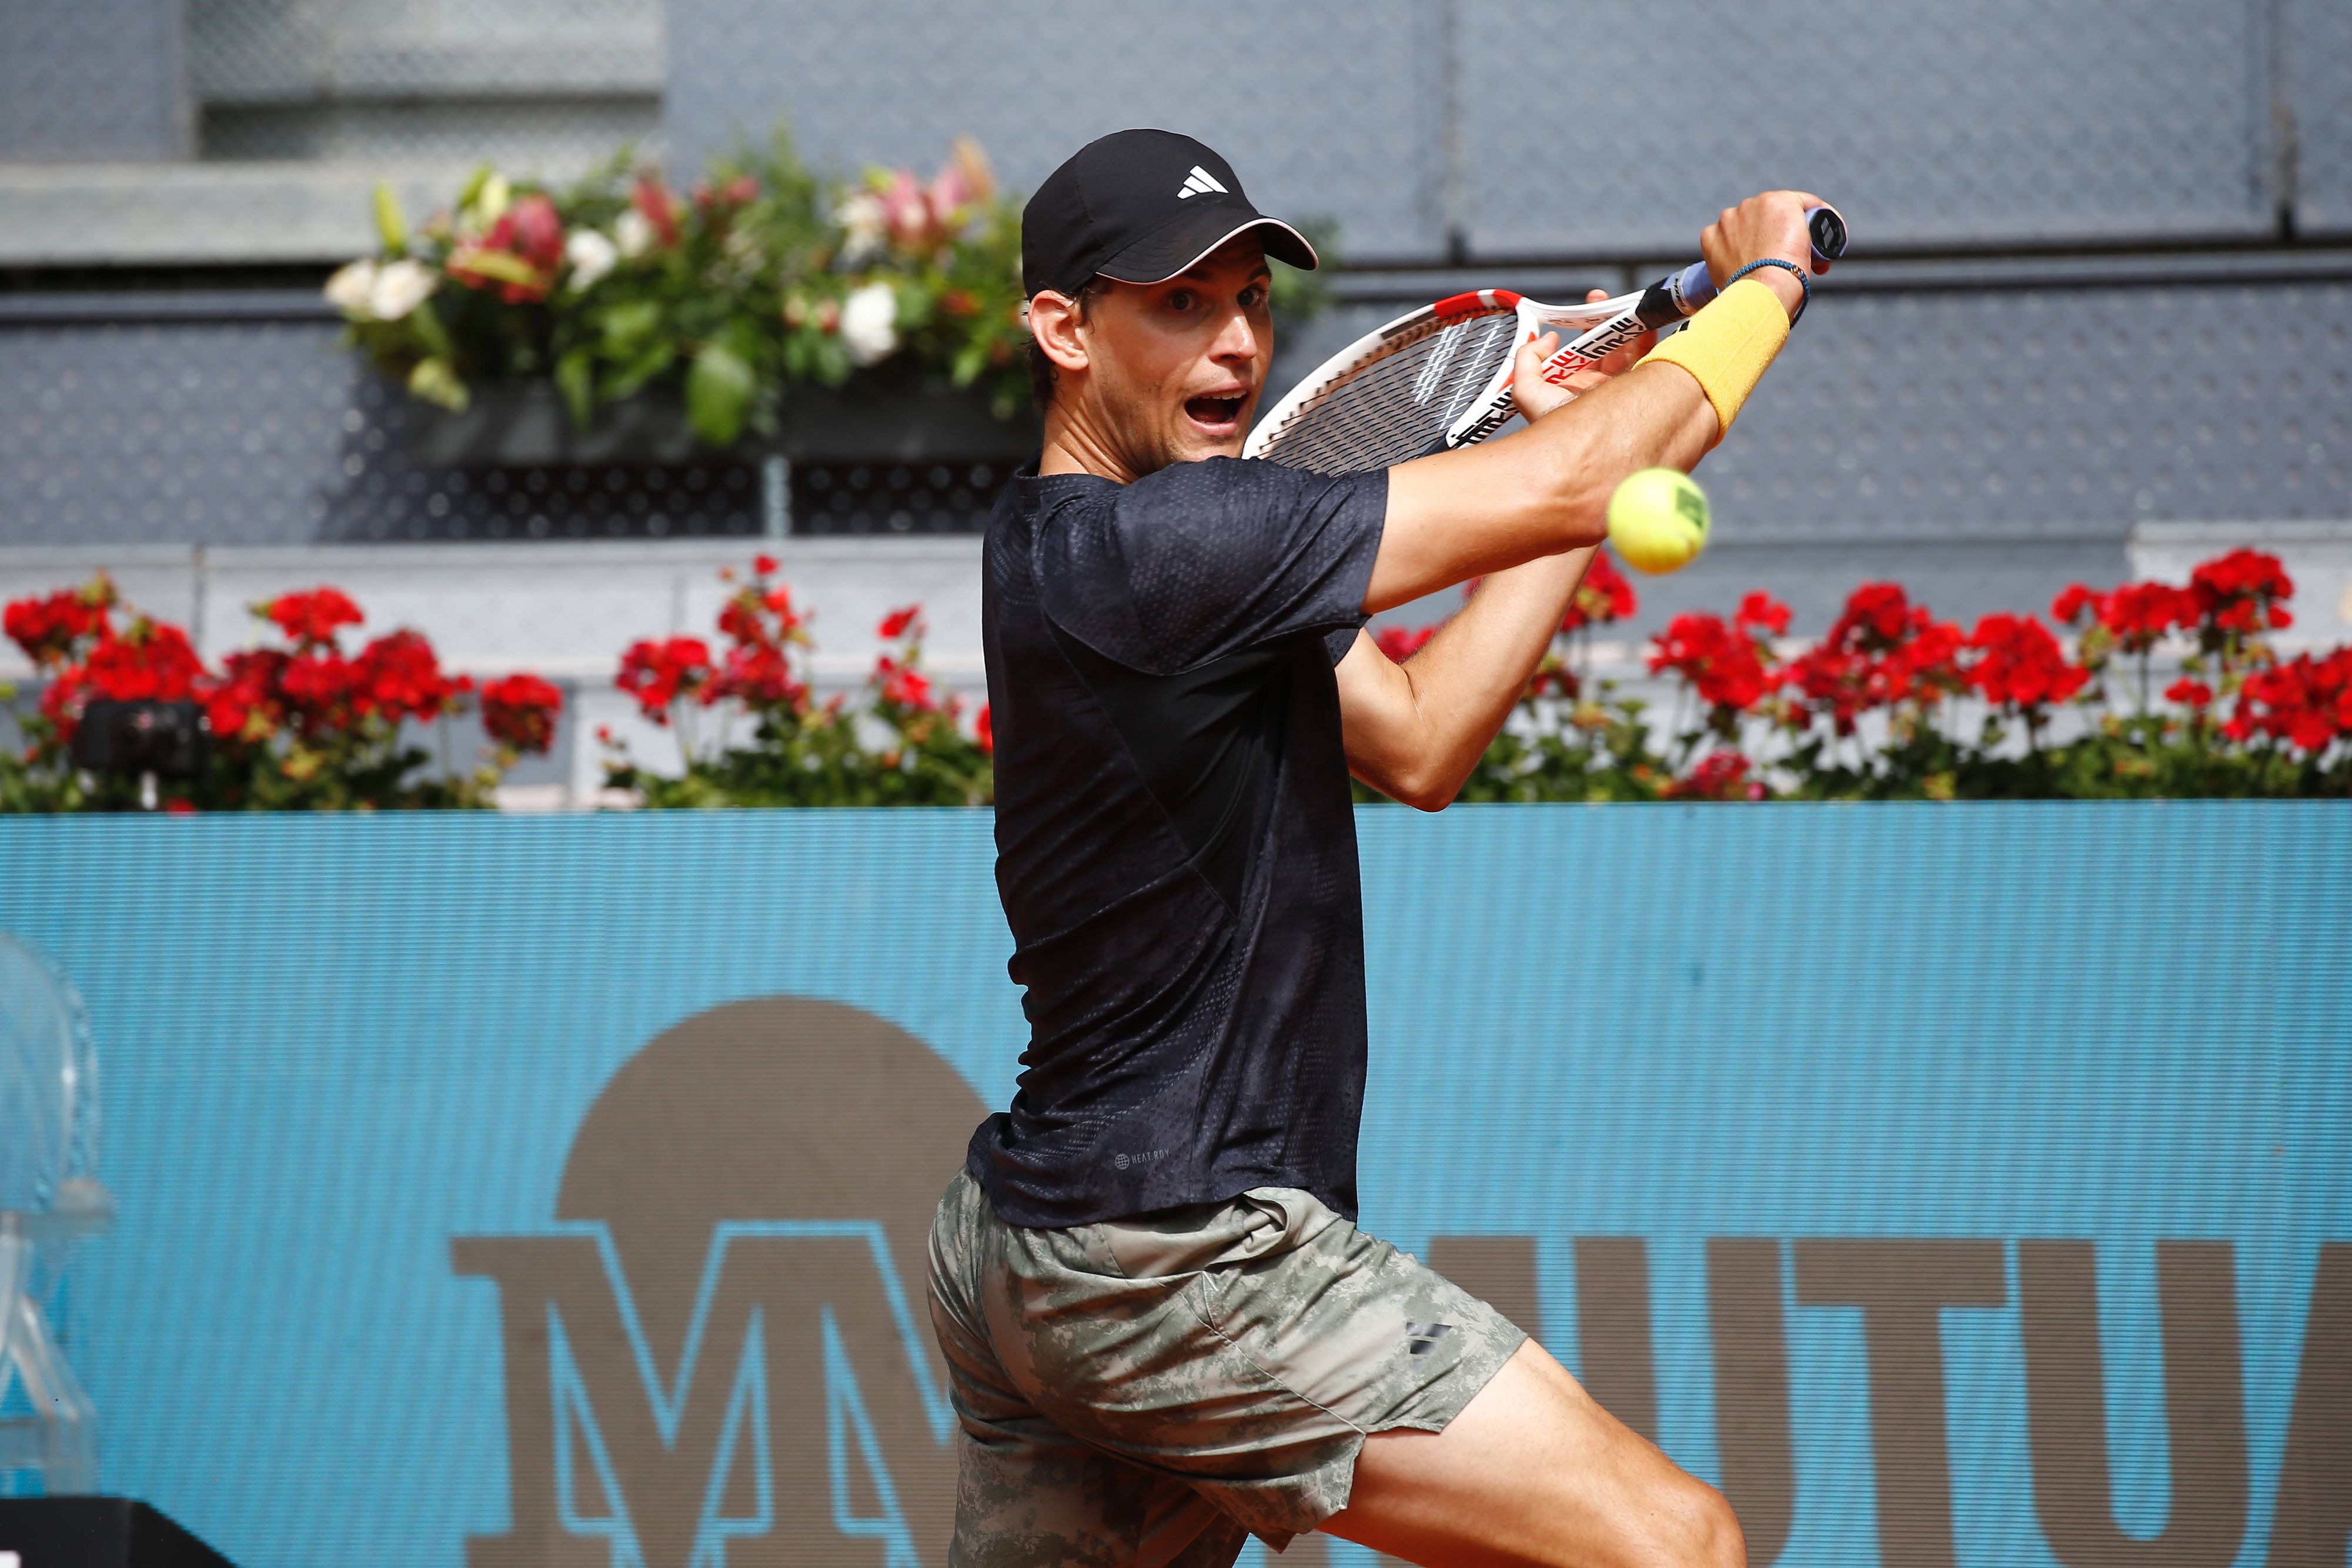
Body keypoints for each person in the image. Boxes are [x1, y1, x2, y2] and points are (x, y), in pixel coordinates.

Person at [927, 127, 1822, 1568]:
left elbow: (1417, 737)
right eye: (1178, 304)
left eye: (1250, 302)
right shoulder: (1174, 551)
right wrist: (1768, 278)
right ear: (1061, 329)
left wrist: (1556, 453)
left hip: (1036, 1250)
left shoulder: (1078, 547)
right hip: (1181, 1257)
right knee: (1677, 1547)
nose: (1232, 346)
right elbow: (1572, 481)